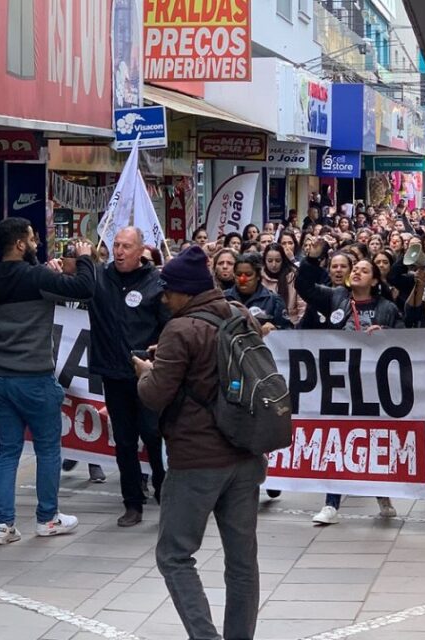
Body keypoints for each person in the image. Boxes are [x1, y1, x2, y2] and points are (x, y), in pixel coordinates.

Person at [134, 246, 266, 640]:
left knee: (173, 555)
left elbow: (155, 395)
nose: (163, 297)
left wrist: (147, 372)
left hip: (196, 461)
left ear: (187, 292)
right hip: (244, 453)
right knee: (242, 561)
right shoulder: (240, 314)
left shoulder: (180, 329)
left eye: (169, 290)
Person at [0, 217, 84, 545]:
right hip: (35, 378)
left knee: (7, 450)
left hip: (0, 380)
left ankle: (2, 525)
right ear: (20, 244)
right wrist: (85, 259)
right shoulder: (37, 278)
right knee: (49, 449)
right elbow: (85, 289)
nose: (35, 244)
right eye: (32, 239)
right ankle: (47, 518)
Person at [295, 239, 400, 524]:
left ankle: (382, 493)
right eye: (355, 270)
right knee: (339, 439)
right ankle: (331, 503)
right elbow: (303, 287)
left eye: (364, 271)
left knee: (376, 440)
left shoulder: (387, 307)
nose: (356, 273)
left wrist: (387, 332)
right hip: (340, 384)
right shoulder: (336, 298)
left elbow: (405, 340)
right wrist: (311, 259)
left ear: (375, 280)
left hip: (373, 386)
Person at [70, 227, 170, 527]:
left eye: (127, 246)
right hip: (113, 374)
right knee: (124, 441)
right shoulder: (100, 278)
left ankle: (164, 493)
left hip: (147, 376)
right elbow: (71, 284)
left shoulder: (157, 283)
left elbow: (168, 328)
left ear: (142, 251)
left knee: (153, 435)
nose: (119, 251)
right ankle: (132, 503)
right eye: (116, 245)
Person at [223, 253, 291, 333]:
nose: (242, 279)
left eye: (248, 275)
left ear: (258, 276)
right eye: (238, 274)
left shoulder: (273, 301)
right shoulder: (224, 298)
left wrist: (275, 329)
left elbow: (288, 331)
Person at [262, 243, 305, 325]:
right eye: (270, 261)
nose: (274, 265)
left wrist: (299, 329)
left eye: (278, 261)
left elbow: (302, 306)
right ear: (265, 260)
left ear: (283, 260)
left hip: (291, 326)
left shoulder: (294, 277)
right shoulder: (259, 277)